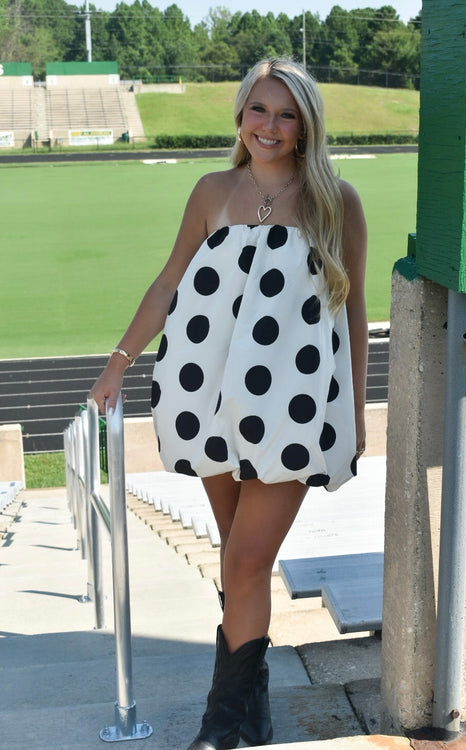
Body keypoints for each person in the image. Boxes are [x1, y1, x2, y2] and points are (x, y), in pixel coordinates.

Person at [90, 57, 368, 750]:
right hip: (207, 396)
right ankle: (253, 702)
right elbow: (168, 283)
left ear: (305, 126)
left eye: (286, 114)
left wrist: (356, 410)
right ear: (240, 115)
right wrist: (119, 362)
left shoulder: (336, 201)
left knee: (245, 561)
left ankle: (219, 728)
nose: (269, 126)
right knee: (240, 562)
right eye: (258, 110)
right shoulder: (212, 190)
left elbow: (354, 311)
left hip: (291, 410)